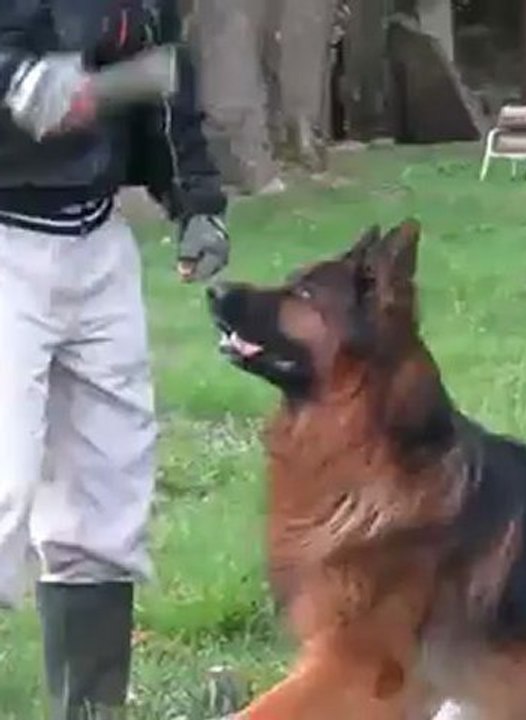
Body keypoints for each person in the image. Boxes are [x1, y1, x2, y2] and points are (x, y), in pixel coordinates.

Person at [0, 2, 229, 718]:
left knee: (106, 493)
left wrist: (195, 199)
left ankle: (91, 712)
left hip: (98, 242)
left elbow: (167, 90)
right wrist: (15, 76)